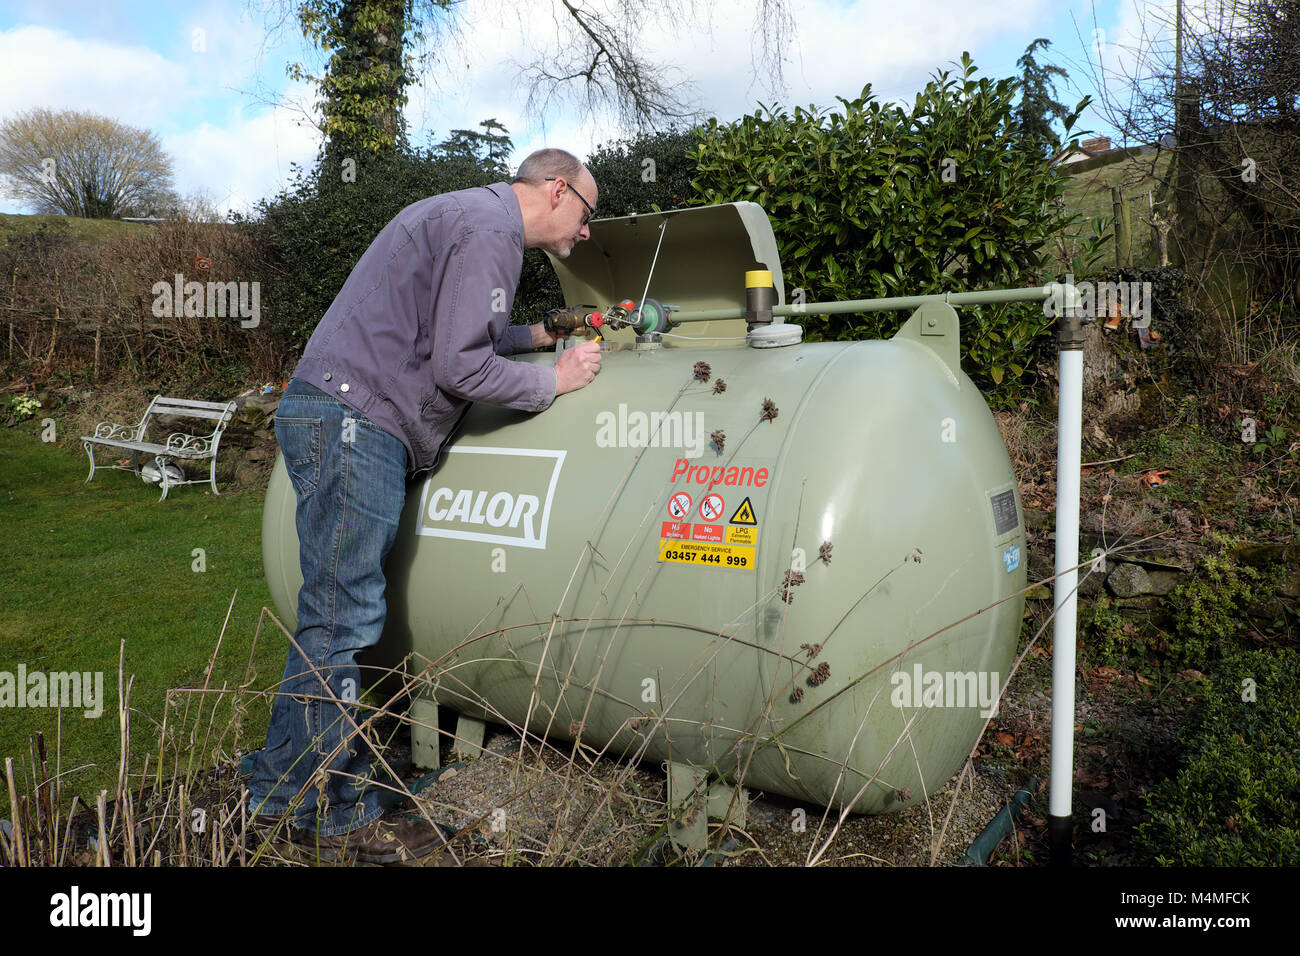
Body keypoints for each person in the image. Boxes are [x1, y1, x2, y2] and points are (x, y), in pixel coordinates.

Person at [247, 148, 603, 864]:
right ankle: (341, 816)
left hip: (333, 410)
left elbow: (449, 333)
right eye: (588, 214)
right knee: (343, 623)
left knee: (329, 620)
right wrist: (554, 382)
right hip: (357, 425)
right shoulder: (492, 234)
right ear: (557, 189)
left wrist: (534, 338)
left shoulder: (466, 214)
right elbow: (459, 365)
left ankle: (279, 795)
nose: (589, 233)